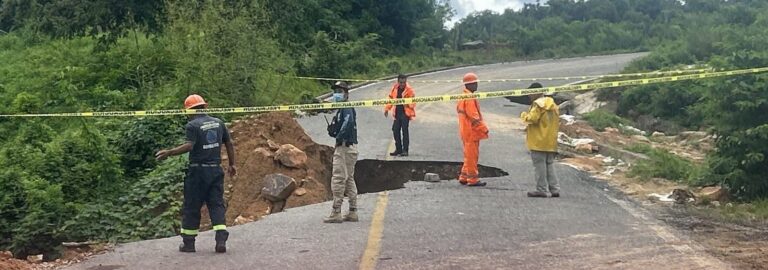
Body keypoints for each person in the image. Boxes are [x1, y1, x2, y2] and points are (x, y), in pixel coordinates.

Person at [156, 94, 237, 253]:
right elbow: (229, 143)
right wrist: (232, 164)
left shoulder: (192, 125)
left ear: (191, 110)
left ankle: (189, 243)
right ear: (203, 107)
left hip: (198, 172)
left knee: (192, 205)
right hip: (215, 169)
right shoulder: (218, 123)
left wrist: (170, 152)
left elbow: (189, 146)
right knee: (216, 203)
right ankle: (221, 237)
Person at [325, 81, 360, 223]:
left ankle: (336, 212)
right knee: (349, 178)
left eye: (339, 91)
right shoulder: (343, 109)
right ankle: (353, 211)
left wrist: (339, 135)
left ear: (346, 94)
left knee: (339, 178)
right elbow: (343, 125)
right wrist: (333, 131)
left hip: (344, 147)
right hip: (351, 147)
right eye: (335, 91)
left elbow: (348, 123)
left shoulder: (345, 108)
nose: (336, 94)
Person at [520, 83, 561, 198]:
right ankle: (555, 189)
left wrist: (524, 115)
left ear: (536, 92)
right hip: (550, 141)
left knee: (539, 166)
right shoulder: (553, 104)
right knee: (549, 165)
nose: (529, 95)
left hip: (538, 141)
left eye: (530, 93)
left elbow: (532, 118)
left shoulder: (538, 105)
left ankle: (541, 189)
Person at [456, 73, 489, 187]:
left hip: (465, 130)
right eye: (475, 83)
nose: (477, 85)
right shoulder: (469, 98)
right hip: (471, 131)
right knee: (472, 156)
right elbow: (474, 117)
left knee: (468, 155)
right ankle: (473, 179)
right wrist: (484, 128)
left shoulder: (463, 96)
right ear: (469, 84)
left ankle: (464, 176)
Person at [384, 74, 416, 157]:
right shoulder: (395, 88)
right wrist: (387, 109)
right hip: (397, 113)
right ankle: (398, 149)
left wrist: (407, 103)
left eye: (404, 82)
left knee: (405, 131)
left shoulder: (409, 90)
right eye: (401, 82)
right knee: (395, 130)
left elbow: (413, 102)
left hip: (405, 113)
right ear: (398, 82)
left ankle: (405, 150)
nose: (402, 84)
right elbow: (391, 99)